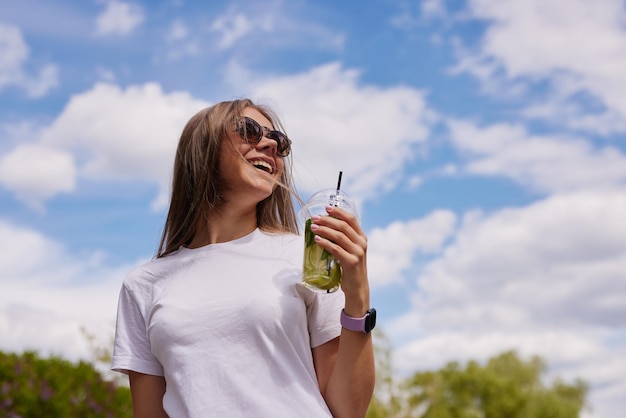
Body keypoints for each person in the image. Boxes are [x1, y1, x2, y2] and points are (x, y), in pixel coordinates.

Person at [111, 98, 375, 418]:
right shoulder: (143, 286)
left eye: (280, 142)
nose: (269, 145)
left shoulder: (305, 259)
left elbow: (348, 410)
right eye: (249, 131)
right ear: (203, 149)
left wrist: (357, 295)